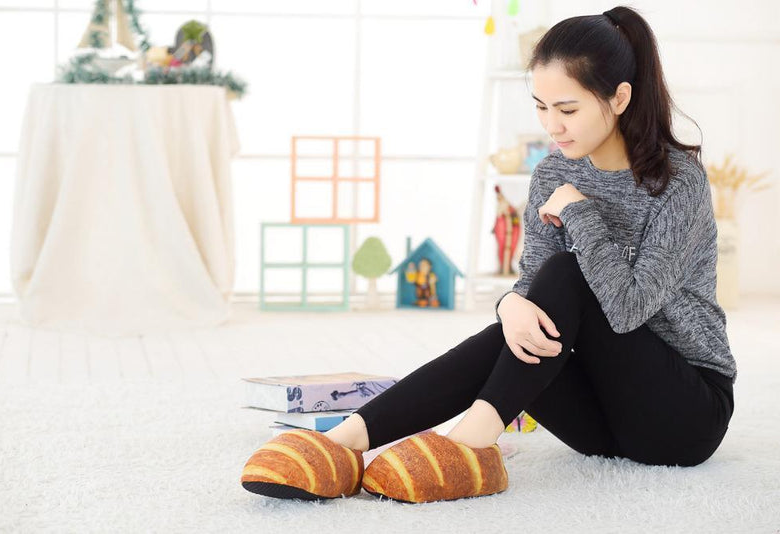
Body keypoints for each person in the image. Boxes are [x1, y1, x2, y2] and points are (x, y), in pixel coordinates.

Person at [241, 6, 736, 503]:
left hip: (684, 415)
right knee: (523, 320)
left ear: (620, 97)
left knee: (568, 272)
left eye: (567, 110)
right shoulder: (550, 176)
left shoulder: (677, 184)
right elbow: (535, 291)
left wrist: (580, 215)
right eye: (540, 107)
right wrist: (509, 304)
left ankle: (468, 444)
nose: (552, 126)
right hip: (600, 430)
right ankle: (344, 442)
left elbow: (628, 309)